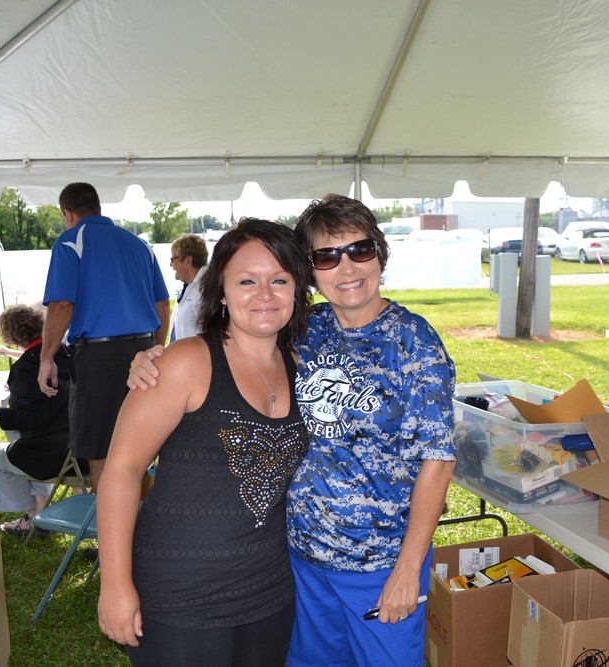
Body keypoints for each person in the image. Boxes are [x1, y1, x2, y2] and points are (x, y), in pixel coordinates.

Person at [128, 195, 457, 667]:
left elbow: (438, 461)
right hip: (300, 560)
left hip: (379, 563)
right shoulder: (304, 329)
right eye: (327, 256)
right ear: (310, 272)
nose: (346, 267)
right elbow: (239, 343)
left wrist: (408, 569)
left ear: (380, 254)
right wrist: (151, 359)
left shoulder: (414, 342)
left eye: (360, 249)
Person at [98, 219, 313, 666]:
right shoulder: (186, 362)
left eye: (279, 280)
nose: (265, 294)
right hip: (179, 597)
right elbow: (122, 470)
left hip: (269, 593)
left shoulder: (303, 366)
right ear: (222, 292)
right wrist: (114, 584)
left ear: (296, 288)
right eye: (247, 281)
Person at [37, 182, 170, 493]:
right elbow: (162, 303)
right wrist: (156, 347)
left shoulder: (70, 241)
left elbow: (61, 304)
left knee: (100, 447)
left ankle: (110, 522)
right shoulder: (140, 244)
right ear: (97, 207)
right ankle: (141, 516)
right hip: (144, 348)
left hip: (100, 358)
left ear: (68, 214)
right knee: (141, 442)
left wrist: (46, 359)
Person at [0, 304, 74, 537]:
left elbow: (31, 419)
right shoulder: (63, 351)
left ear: (10, 336)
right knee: (17, 438)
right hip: (75, 448)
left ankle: (31, 514)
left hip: (52, 454)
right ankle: (40, 507)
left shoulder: (25, 368)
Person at [168, 233, 209, 342]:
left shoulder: (206, 290)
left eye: (172, 259)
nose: (171, 265)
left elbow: (212, 335)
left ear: (187, 261)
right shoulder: (187, 288)